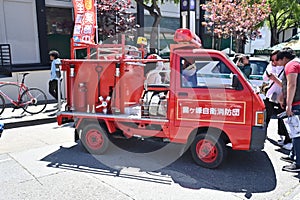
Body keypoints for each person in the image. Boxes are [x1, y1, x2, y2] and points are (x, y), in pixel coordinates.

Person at [275, 47, 300, 172]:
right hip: (296, 102)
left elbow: (292, 84)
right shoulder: (297, 63)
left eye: (278, 61)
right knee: (296, 132)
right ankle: (293, 156)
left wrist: (289, 105)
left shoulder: (291, 65)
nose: (277, 64)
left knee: (296, 134)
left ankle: (298, 162)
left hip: (296, 103)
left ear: (284, 58)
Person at [263, 50, 291, 149]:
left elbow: (286, 85)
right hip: (271, 95)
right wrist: (269, 75)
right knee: (267, 117)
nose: (275, 62)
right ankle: (263, 135)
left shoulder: (286, 67)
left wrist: (275, 79)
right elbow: (265, 79)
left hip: (282, 97)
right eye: (273, 59)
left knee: (282, 119)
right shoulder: (270, 66)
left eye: (277, 59)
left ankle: (286, 138)